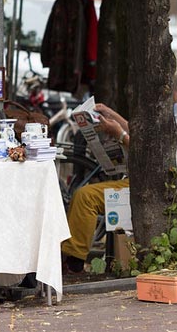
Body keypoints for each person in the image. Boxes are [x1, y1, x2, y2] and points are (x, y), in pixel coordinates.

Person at [61, 102, 130, 273]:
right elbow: (134, 130)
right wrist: (111, 113)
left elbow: (150, 153)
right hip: (136, 180)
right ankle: (71, 258)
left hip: (149, 187)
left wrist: (120, 135)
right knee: (85, 195)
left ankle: (74, 261)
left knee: (86, 196)